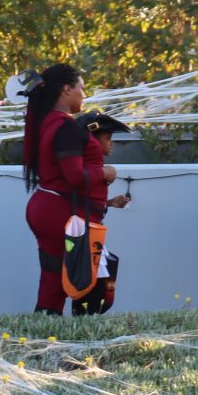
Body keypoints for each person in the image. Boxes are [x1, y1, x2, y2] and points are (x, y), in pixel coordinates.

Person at [20, 64, 115, 315]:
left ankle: (44, 333)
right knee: (85, 282)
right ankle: (78, 339)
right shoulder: (65, 126)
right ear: (67, 89)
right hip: (62, 214)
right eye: (82, 89)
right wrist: (106, 173)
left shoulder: (48, 123)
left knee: (54, 281)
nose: (84, 95)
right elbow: (74, 176)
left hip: (50, 209)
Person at [71, 114, 131, 316]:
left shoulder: (94, 170)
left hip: (92, 236)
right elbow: (77, 203)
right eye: (108, 138)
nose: (111, 144)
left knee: (99, 286)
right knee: (92, 288)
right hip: (85, 239)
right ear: (92, 140)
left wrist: (110, 203)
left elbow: (87, 202)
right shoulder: (89, 171)